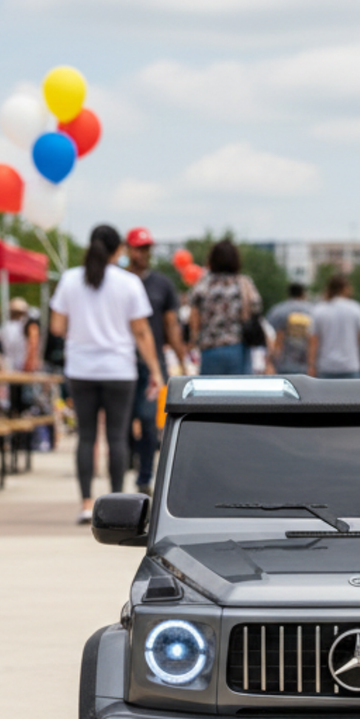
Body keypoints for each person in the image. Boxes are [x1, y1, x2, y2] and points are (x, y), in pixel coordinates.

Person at [49, 224, 165, 524]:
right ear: (119, 250)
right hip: (118, 369)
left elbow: (57, 327)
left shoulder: (70, 279)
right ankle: (116, 506)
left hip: (81, 368)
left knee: (86, 437)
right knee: (117, 437)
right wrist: (155, 371)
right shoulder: (128, 283)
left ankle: (86, 504)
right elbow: (141, 332)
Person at [125, 227, 188, 494]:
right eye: (139, 248)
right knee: (125, 419)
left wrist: (182, 359)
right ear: (127, 250)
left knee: (149, 419)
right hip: (123, 360)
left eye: (147, 249)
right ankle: (127, 459)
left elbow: (171, 324)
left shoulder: (162, 284)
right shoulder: (120, 280)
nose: (144, 254)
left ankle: (145, 477)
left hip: (152, 361)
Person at [188, 239, 264, 375]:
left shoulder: (203, 285)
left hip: (209, 348)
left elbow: (194, 318)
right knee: (239, 393)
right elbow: (256, 307)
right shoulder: (243, 283)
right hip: (237, 347)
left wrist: (195, 340)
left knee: (210, 393)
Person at [309, 275, 360, 379]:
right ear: (345, 288)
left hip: (326, 366)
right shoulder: (356, 309)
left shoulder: (319, 310)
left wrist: (311, 365)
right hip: (350, 365)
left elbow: (313, 341)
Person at [266, 282, 315, 376]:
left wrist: (269, 361)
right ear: (303, 294)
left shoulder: (277, 310)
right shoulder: (312, 310)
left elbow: (271, 335)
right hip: (305, 362)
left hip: (282, 362)